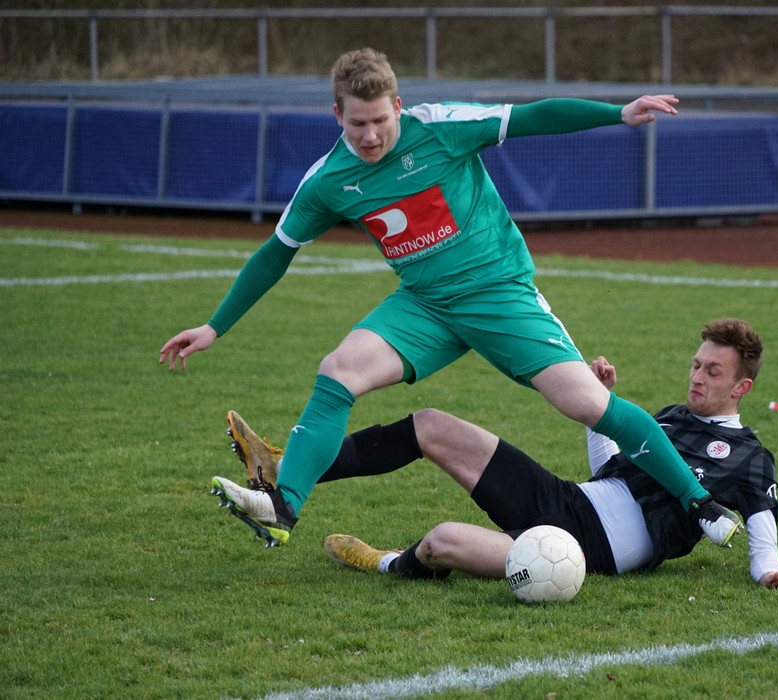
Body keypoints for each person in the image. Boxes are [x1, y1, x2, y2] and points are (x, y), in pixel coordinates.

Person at [163, 47, 740, 550]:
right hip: (425, 305)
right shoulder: (328, 180)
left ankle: (698, 501)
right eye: (357, 123)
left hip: (498, 294)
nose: (370, 136)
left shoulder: (440, 127)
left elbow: (533, 116)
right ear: (337, 115)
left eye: (381, 120)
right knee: (339, 369)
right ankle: (282, 504)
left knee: (587, 404)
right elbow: (276, 253)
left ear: (398, 106)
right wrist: (215, 326)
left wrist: (617, 113)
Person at [217, 319, 778, 589]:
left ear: (742, 387)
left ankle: (386, 563)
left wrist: (770, 571)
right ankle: (284, 468)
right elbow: (606, 471)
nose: (697, 377)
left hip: (583, 552)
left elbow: (761, 533)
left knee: (441, 542)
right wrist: (602, 405)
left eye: (713, 372)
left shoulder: (750, 457)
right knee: (430, 424)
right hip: (568, 500)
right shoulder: (670, 418)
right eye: (696, 364)